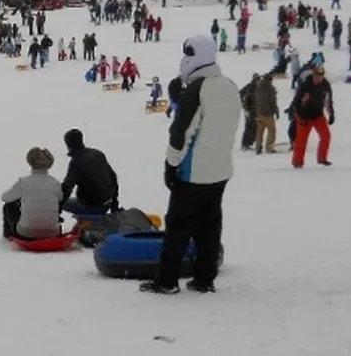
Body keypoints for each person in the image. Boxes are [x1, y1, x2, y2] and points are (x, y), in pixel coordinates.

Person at [141, 35, 239, 295]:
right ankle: (204, 278)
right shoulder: (228, 85)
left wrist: (170, 165)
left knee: (178, 226)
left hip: (193, 171)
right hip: (221, 170)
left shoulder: (196, 90)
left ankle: (167, 281)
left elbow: (181, 133)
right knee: (209, 225)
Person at [1, 147, 63, 240]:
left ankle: (9, 234)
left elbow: (5, 198)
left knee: (8, 206)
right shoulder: (55, 183)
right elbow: (60, 198)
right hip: (53, 233)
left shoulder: (24, 182)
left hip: (26, 233)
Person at [59, 129, 119, 216]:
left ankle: (85, 219)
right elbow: (113, 177)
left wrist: (59, 205)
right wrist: (114, 202)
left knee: (57, 202)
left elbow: (67, 187)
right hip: (107, 203)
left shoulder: (76, 162)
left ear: (68, 144)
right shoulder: (97, 154)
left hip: (90, 205)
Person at [291, 65, 335, 168]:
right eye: (317, 75)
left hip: (318, 115)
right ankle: (297, 162)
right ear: (313, 74)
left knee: (326, 136)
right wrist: (301, 117)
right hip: (304, 116)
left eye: (320, 76)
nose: (318, 78)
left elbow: (328, 101)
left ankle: (322, 159)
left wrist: (331, 113)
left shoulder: (325, 85)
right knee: (301, 140)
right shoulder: (306, 85)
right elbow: (296, 103)